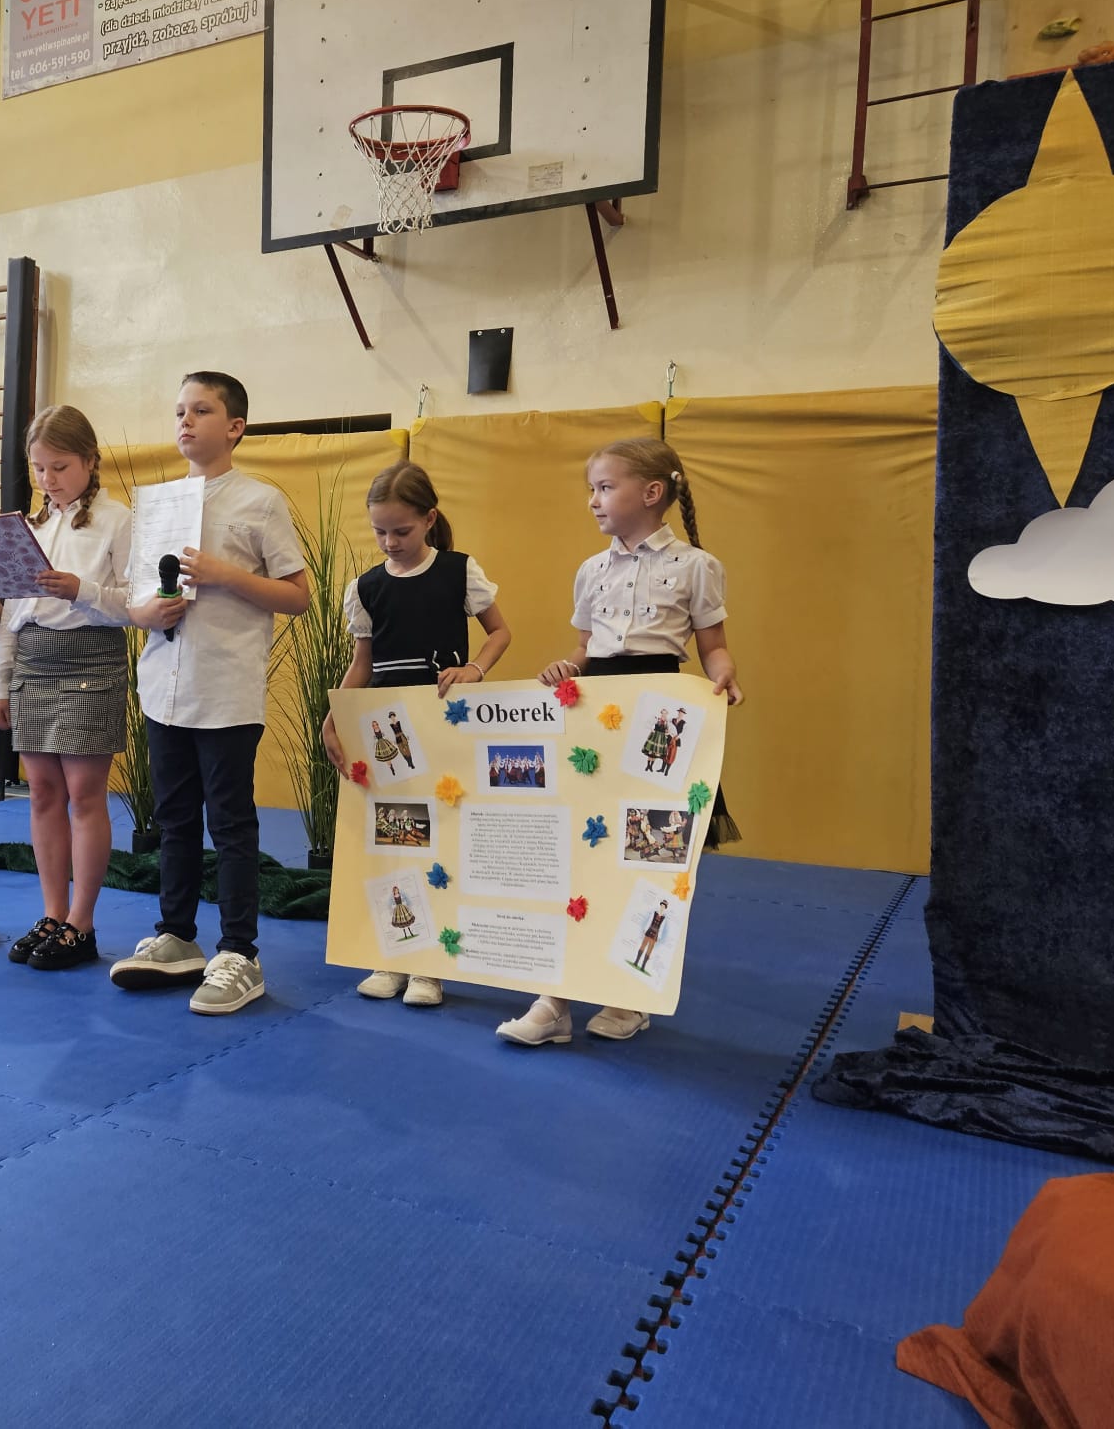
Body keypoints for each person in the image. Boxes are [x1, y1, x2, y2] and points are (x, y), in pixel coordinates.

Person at [498, 436, 744, 1048]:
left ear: (651, 493)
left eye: (605, 488)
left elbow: (712, 646)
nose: (593, 500)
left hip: (657, 712)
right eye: (592, 488)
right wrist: (567, 667)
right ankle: (555, 999)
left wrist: (722, 677)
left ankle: (628, 995)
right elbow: (585, 649)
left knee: (646, 859)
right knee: (579, 855)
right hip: (598, 719)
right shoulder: (592, 570)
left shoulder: (696, 566)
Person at [110, 371, 310, 1015]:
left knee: (229, 823)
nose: (186, 421)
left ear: (235, 427)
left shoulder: (260, 501)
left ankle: (239, 953)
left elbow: (298, 597)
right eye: (179, 411)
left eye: (201, 410)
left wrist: (225, 575)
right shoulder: (158, 504)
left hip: (224, 685)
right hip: (163, 683)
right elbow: (139, 594)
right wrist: (146, 612)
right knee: (173, 820)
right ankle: (176, 934)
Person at [322, 462, 509, 1009]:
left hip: (442, 722)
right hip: (385, 727)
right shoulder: (366, 587)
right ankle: (394, 953)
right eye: (380, 531)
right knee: (393, 841)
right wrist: (334, 715)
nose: (390, 542)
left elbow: (500, 632)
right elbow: (363, 663)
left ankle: (431, 966)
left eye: (401, 531)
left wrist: (474, 669)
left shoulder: (458, 571)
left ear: (429, 519)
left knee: (439, 842)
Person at [0, 406, 133, 972]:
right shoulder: (30, 526)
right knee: (43, 793)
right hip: (33, 661)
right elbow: (11, 614)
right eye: (39, 469)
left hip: (90, 658)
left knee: (84, 795)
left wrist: (83, 589)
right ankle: (52, 912)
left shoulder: (118, 520)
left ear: (90, 461)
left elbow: (138, 605)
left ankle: (82, 921)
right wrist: (0, 683)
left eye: (61, 467)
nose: (49, 480)